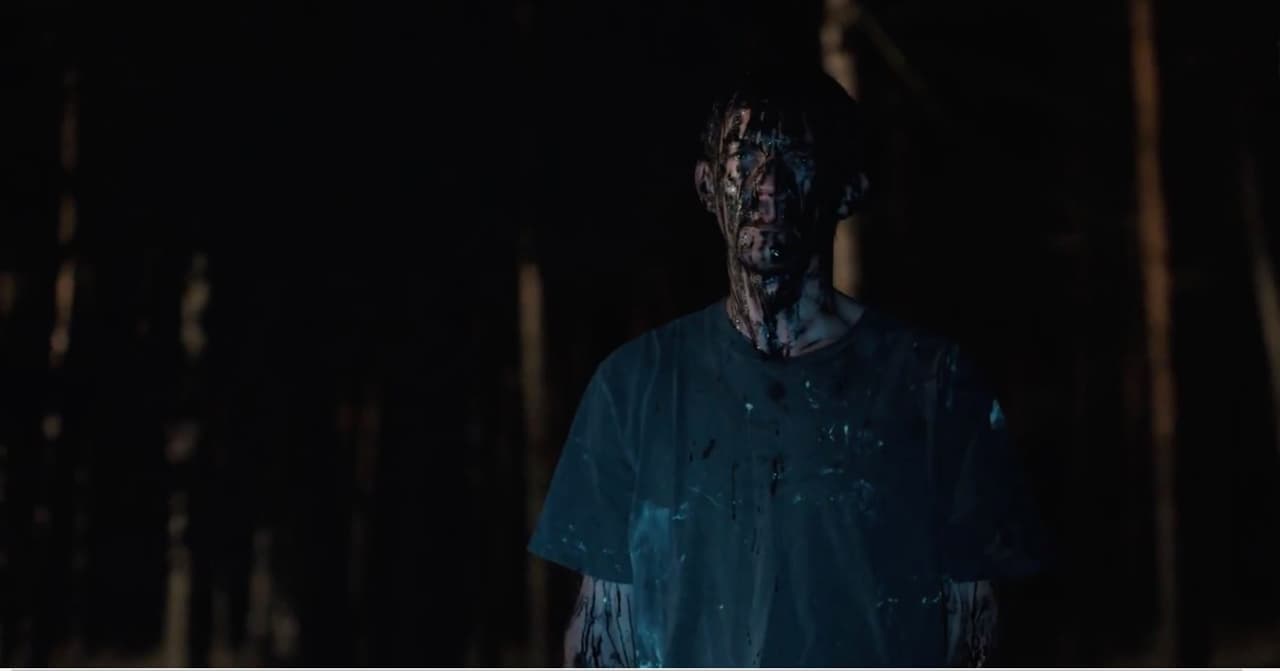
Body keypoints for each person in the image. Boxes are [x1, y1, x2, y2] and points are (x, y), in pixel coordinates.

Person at [528, 64, 1048, 667]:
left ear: (847, 189)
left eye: (798, 159)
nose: (769, 185)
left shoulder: (935, 384)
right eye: (745, 159)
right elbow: (602, 629)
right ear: (707, 186)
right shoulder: (633, 387)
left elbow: (976, 625)